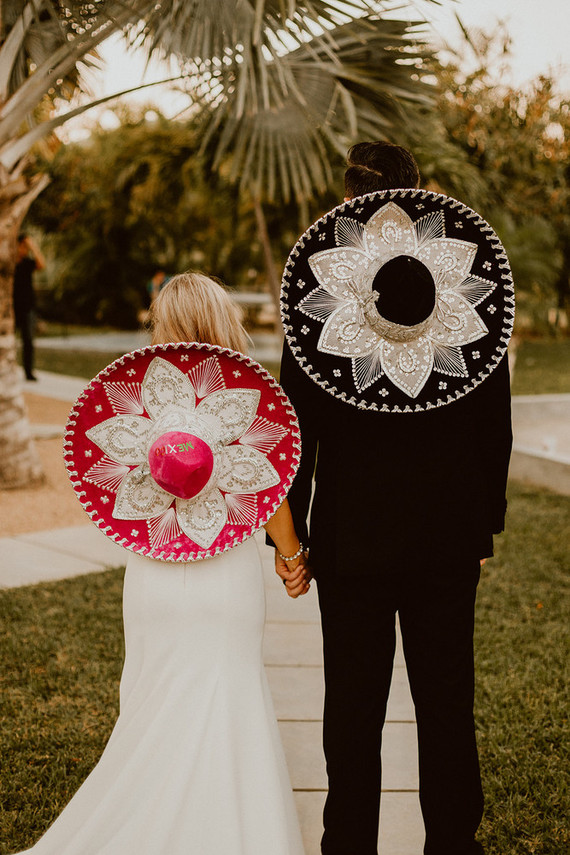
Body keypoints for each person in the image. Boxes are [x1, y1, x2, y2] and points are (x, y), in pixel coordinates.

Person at [12, 271, 310, 855]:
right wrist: (292, 556)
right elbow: (269, 489)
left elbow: (108, 491)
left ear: (162, 323)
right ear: (225, 320)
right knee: (229, 697)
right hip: (226, 576)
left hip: (154, 576)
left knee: (154, 699)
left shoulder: (137, 394)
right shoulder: (244, 394)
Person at [273, 141, 513, 855]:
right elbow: (493, 426)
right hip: (447, 538)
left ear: (350, 203)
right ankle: (454, 845)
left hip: (351, 541)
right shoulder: (469, 293)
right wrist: (484, 525)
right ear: (420, 195)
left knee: (352, 710)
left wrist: (293, 539)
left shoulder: (317, 302)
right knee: (447, 704)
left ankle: (347, 845)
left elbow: (295, 431)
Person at [13, 233, 45, 381]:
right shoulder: (10, 263)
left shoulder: (27, 263)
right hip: (11, 307)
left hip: (28, 306)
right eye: (22, 246)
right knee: (8, 339)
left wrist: (32, 246)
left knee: (28, 341)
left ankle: (28, 371)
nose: (24, 250)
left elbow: (41, 264)